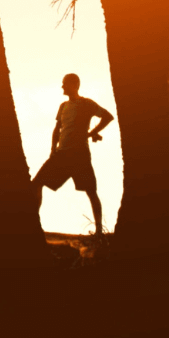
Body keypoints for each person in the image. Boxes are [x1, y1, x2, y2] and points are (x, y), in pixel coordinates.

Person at [31, 73, 114, 235]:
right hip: (61, 155)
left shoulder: (87, 103)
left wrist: (92, 132)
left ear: (75, 85)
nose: (62, 87)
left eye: (65, 84)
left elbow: (108, 116)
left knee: (91, 191)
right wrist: (52, 149)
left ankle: (98, 230)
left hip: (80, 155)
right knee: (36, 184)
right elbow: (57, 129)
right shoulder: (63, 106)